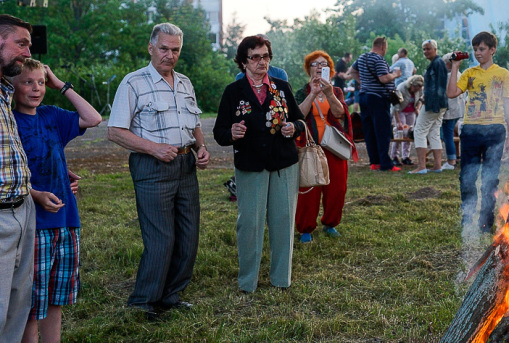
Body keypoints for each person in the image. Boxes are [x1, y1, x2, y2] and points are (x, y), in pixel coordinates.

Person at [107, 23, 210, 318]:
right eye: (164, 48)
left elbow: (195, 124)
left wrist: (201, 147)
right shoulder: (133, 83)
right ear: (151, 47)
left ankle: (171, 295)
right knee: (161, 238)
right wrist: (153, 148)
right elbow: (115, 131)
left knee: (189, 236)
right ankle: (143, 301)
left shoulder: (185, 83)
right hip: (152, 166)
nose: (169, 55)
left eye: (175, 50)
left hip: (186, 165)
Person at [13, 60, 101, 343]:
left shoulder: (52, 115)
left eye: (41, 82)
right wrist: (36, 194)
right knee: (31, 303)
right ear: (12, 86)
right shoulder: (9, 122)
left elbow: (93, 118)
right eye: (27, 82)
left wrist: (59, 83)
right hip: (33, 224)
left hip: (66, 220)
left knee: (56, 297)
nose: (36, 88)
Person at [213, 35, 306, 292]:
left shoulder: (282, 87)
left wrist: (294, 127)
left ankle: (280, 279)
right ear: (244, 62)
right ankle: (248, 283)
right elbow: (220, 133)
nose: (261, 62)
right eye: (255, 57)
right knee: (250, 225)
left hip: (283, 165)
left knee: (283, 222)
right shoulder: (233, 92)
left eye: (265, 56)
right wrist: (231, 132)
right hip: (250, 165)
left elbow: (300, 121)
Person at [447, 31, 509, 233]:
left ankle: (485, 223)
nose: (478, 53)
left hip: (495, 131)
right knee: (467, 177)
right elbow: (451, 93)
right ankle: (467, 219)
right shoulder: (469, 73)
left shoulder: (502, 74)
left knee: (490, 179)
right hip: (471, 130)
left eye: (482, 49)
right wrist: (455, 67)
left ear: (492, 50)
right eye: (475, 49)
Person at [295, 51, 357, 244]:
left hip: (334, 147)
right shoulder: (302, 91)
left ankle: (330, 223)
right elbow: (298, 116)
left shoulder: (336, 91)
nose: (319, 67)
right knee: (309, 188)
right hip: (310, 147)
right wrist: (313, 93)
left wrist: (329, 93)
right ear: (308, 69)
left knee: (337, 189)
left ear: (329, 69)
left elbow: (340, 114)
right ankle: (305, 228)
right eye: (314, 64)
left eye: (323, 64)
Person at [0, 14, 36, 342]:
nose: (27, 52)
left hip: (24, 208)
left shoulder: (5, 93)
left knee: (17, 307)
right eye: (20, 43)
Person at [349, 36, 403, 171]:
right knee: (382, 131)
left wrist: (364, 83)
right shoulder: (378, 59)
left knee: (369, 131)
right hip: (378, 98)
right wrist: (396, 74)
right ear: (383, 46)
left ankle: (375, 162)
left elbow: (352, 71)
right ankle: (386, 164)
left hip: (364, 97)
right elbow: (384, 78)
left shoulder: (362, 57)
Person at [409, 39, 450, 174]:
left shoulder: (438, 64)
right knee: (434, 133)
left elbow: (440, 85)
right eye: (424, 49)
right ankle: (437, 166)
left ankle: (421, 167)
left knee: (419, 131)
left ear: (435, 49)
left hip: (435, 104)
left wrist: (430, 100)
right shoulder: (436, 63)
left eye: (428, 49)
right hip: (439, 104)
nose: (426, 51)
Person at [390, 75, 423, 167]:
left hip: (411, 112)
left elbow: (420, 99)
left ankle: (405, 157)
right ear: (411, 84)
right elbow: (395, 106)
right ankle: (394, 156)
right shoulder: (402, 88)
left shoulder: (419, 89)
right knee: (399, 133)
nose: (416, 90)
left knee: (408, 134)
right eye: (415, 88)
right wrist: (398, 121)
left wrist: (417, 108)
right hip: (400, 111)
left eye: (418, 88)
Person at [441, 55, 466, 167]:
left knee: (448, 136)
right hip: (458, 109)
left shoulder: (448, 76)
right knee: (450, 134)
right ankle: (456, 156)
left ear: (447, 63)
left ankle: (451, 161)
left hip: (450, 109)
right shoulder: (460, 75)